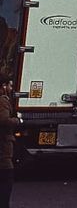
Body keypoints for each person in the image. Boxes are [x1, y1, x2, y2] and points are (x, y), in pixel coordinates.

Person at [0, 77, 20, 208]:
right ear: (4, 86)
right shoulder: (2, 101)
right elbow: (4, 120)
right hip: (2, 145)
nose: (11, 88)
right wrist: (18, 120)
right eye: (10, 85)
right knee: (6, 178)